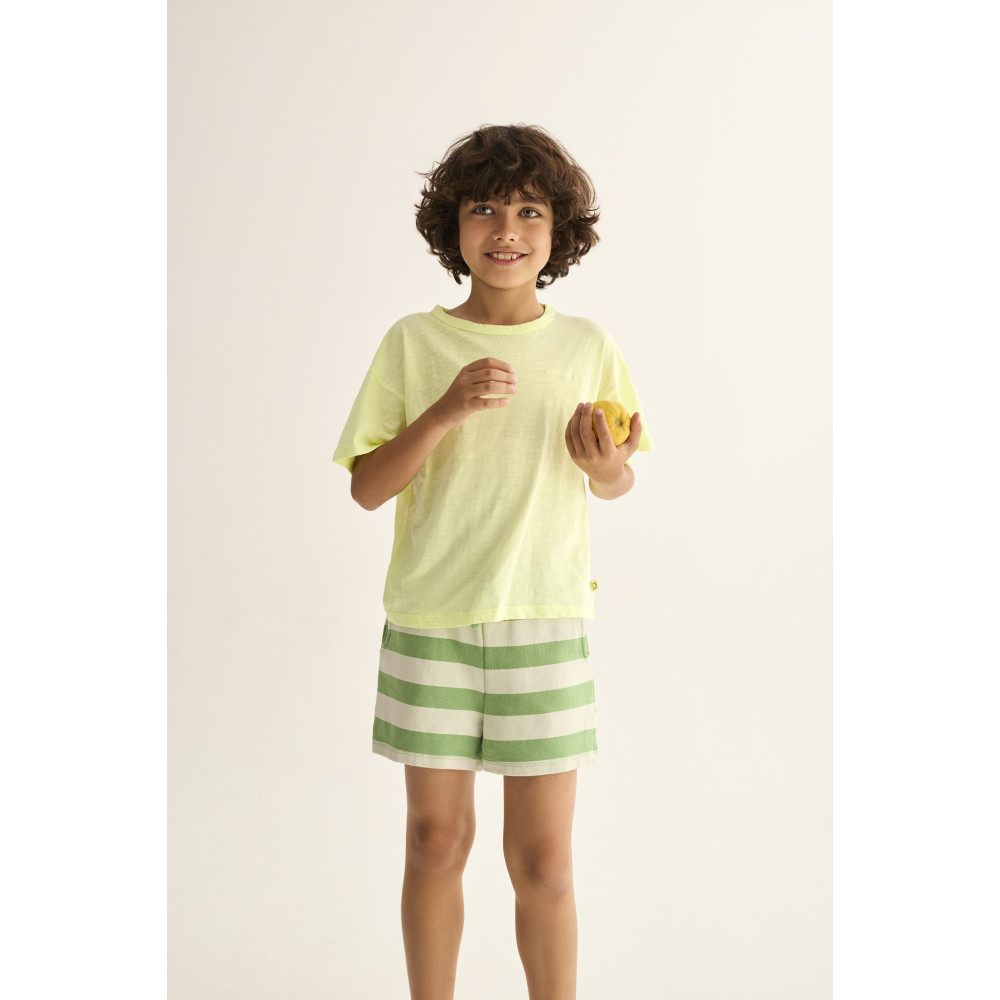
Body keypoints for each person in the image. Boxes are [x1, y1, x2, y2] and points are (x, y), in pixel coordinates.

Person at [333, 123, 652, 1000]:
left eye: (529, 211)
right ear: (453, 225)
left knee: (544, 862)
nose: (506, 229)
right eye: (484, 209)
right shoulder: (412, 342)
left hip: (544, 621)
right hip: (431, 621)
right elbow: (366, 489)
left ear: (559, 231)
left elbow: (618, 479)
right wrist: (443, 411)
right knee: (435, 842)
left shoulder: (587, 346)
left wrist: (604, 468)